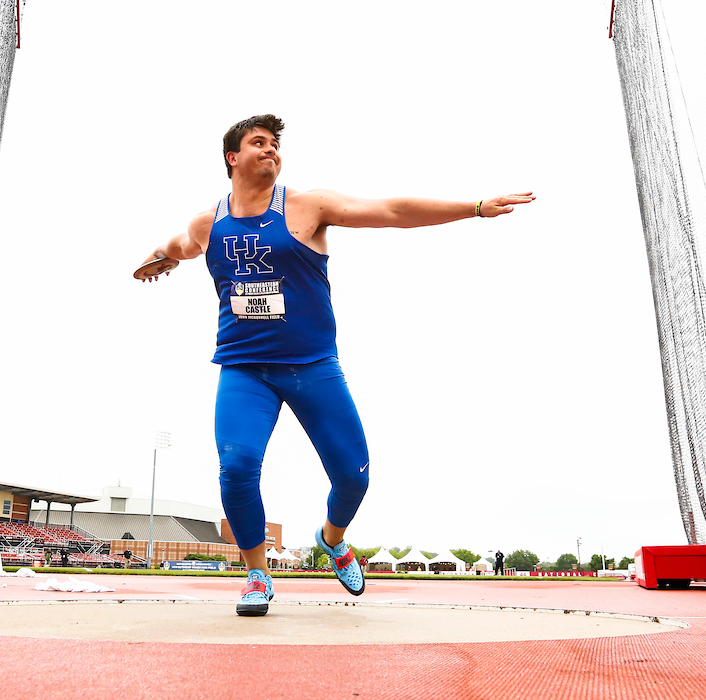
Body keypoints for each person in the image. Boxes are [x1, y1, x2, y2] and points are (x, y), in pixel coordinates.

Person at [137, 114, 534, 616]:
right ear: (232, 158)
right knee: (236, 467)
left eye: (275, 144)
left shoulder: (307, 206)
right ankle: (256, 575)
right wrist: (162, 257)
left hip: (312, 365)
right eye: (258, 143)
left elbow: (390, 210)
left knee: (353, 477)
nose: (271, 150)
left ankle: (332, 539)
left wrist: (473, 207)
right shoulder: (207, 224)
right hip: (244, 368)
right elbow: (181, 246)